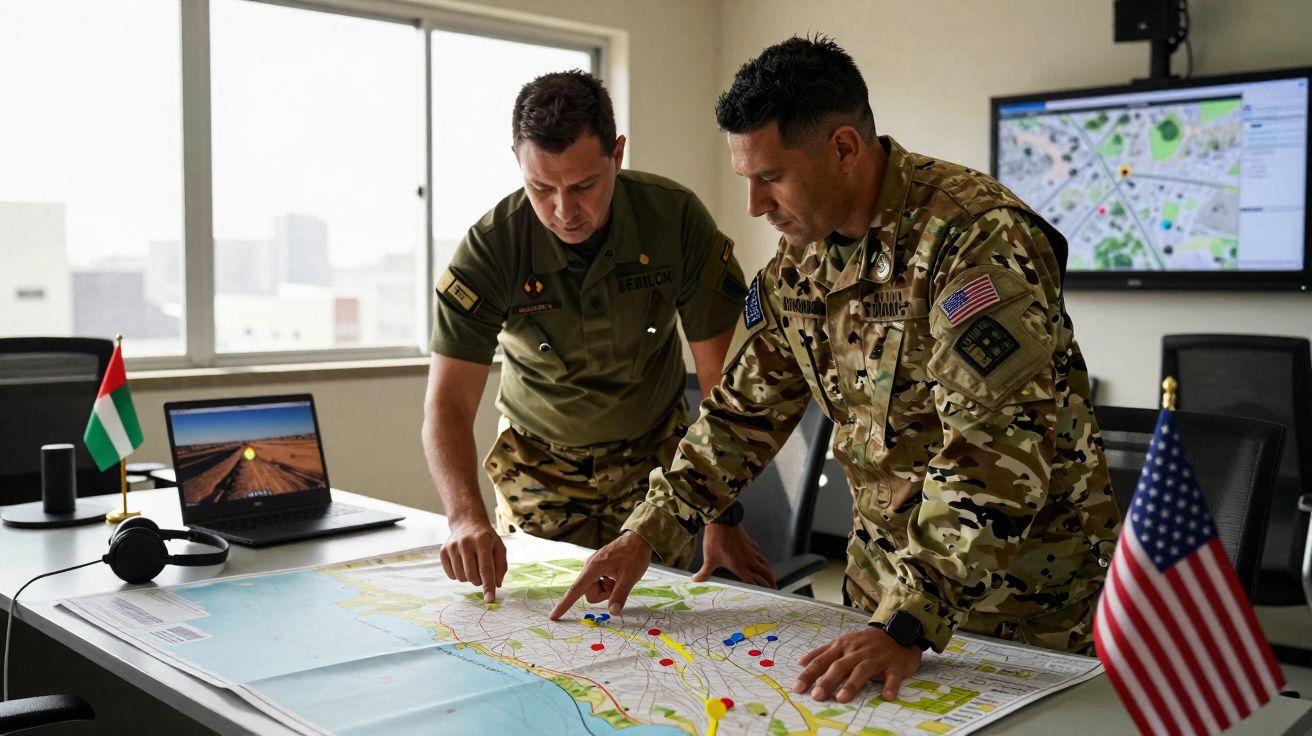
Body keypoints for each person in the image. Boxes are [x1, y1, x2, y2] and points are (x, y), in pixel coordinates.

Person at [550, 37, 1119, 705]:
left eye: (771, 177)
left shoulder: (974, 240)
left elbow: (990, 456)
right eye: (747, 181)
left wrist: (908, 620)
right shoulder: (799, 264)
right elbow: (739, 418)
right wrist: (645, 533)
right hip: (876, 601)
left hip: (1017, 607)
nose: (756, 204)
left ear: (844, 148)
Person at [424, 70, 776, 605]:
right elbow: (447, 405)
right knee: (542, 627)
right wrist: (464, 518)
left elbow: (720, 383)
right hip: (538, 471)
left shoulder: (673, 220)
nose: (564, 211)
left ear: (617, 153)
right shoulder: (492, 249)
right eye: (541, 188)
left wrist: (719, 515)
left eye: (584, 185)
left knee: (657, 623)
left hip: (655, 468)